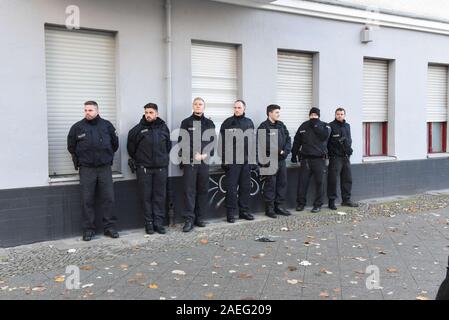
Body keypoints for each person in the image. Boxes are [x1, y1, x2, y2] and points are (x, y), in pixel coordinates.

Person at [67, 101, 119, 241]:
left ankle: (110, 227)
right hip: (87, 169)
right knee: (87, 200)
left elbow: (115, 144)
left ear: (97, 110)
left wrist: (105, 157)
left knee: (109, 198)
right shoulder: (77, 127)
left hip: (104, 168)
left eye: (90, 110)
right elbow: (71, 147)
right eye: (85, 110)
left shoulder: (107, 126)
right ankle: (88, 229)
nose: (87, 113)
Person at [127, 103, 171, 235]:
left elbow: (167, 146)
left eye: (151, 112)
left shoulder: (164, 128)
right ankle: (149, 224)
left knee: (160, 197)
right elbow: (131, 149)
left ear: (156, 114)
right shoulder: (137, 130)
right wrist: (141, 161)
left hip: (161, 169)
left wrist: (161, 160)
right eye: (146, 112)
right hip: (144, 169)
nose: (148, 115)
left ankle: (158, 223)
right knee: (146, 197)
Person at [178, 97, 216, 233]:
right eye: (196, 104)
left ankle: (200, 218)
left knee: (202, 190)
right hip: (190, 161)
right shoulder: (186, 122)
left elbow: (212, 142)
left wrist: (205, 154)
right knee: (189, 191)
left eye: (200, 104)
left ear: (204, 107)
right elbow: (182, 142)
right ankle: (189, 220)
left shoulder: (209, 123)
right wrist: (194, 154)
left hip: (204, 162)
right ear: (192, 106)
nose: (198, 106)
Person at [220, 100, 256, 223]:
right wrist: (224, 160)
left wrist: (253, 160)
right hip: (232, 162)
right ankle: (230, 214)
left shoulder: (249, 122)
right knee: (231, 189)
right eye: (235, 107)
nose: (236, 109)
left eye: (239, 107)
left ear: (244, 108)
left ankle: (244, 212)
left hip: (246, 162)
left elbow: (252, 143)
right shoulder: (228, 122)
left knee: (245, 188)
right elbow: (222, 143)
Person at [291, 107, 331, 213]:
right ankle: (300, 204)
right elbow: (296, 141)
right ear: (309, 115)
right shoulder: (303, 126)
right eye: (312, 115)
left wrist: (316, 125)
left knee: (320, 183)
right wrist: (293, 154)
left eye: (315, 115)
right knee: (302, 183)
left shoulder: (325, 126)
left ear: (319, 116)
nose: (313, 117)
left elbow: (324, 137)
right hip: (306, 160)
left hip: (319, 160)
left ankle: (318, 205)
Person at [257, 104, 292, 219]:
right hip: (269, 160)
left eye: (279, 112)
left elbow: (288, 139)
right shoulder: (263, 127)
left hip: (281, 160)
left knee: (282, 183)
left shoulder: (281, 125)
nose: (278, 114)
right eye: (276, 112)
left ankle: (279, 207)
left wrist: (285, 152)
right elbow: (265, 144)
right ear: (270, 113)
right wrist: (279, 151)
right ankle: (269, 209)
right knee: (270, 185)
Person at [327, 108, 359, 210]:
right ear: (335, 115)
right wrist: (332, 152)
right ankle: (331, 201)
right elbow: (327, 143)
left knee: (347, 179)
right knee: (333, 180)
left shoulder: (347, 126)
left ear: (344, 115)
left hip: (345, 157)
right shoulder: (330, 126)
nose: (340, 116)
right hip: (335, 157)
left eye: (341, 114)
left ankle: (346, 200)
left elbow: (349, 139)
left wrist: (349, 149)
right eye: (338, 114)